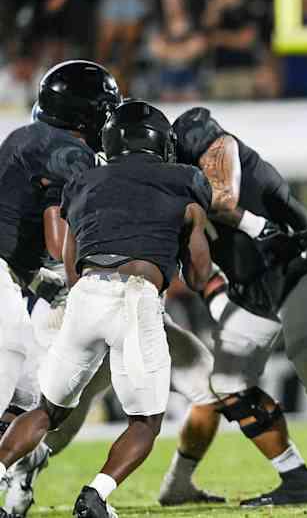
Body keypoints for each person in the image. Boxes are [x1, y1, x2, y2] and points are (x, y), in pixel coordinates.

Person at [0, 100, 213, 518]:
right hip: (135, 299)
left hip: (84, 297)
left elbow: (69, 257)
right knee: (145, 422)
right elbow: (200, 274)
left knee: (47, 410)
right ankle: (96, 493)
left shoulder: (84, 182)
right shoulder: (186, 181)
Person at [157, 106, 307, 507]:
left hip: (297, 268)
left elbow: (225, 198)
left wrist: (246, 224)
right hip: (257, 287)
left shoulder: (215, 144)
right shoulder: (190, 184)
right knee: (227, 383)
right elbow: (199, 271)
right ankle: (298, 479)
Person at [0, 60, 120, 436]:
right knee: (12, 359)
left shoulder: (30, 137)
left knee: (30, 394)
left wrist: (37, 280)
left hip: (11, 275)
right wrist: (86, 290)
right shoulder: (69, 152)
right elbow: (58, 239)